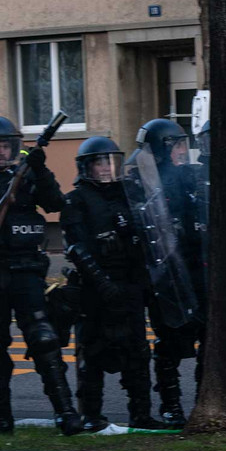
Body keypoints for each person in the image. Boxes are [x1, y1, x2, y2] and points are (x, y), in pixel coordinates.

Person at [61, 137, 167, 431]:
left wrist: (146, 278)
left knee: (137, 352)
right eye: (100, 162)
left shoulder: (128, 194)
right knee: (92, 353)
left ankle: (142, 415)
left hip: (130, 285)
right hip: (95, 289)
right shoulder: (76, 200)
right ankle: (92, 416)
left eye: (110, 162)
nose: (107, 168)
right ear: (87, 167)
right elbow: (76, 248)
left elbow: (149, 236)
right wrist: (102, 283)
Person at [0, 116, 82, 435]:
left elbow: (56, 204)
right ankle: (1, 417)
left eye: (7, 146)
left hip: (27, 270)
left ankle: (66, 412)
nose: (2, 152)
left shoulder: (28, 174)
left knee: (44, 340)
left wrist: (41, 169)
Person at [130, 119, 203, 428]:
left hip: (195, 269)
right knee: (170, 339)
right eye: (177, 146)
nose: (183, 152)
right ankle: (171, 406)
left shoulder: (190, 176)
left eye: (184, 145)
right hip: (164, 274)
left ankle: (205, 402)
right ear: (161, 149)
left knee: (208, 337)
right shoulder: (139, 182)